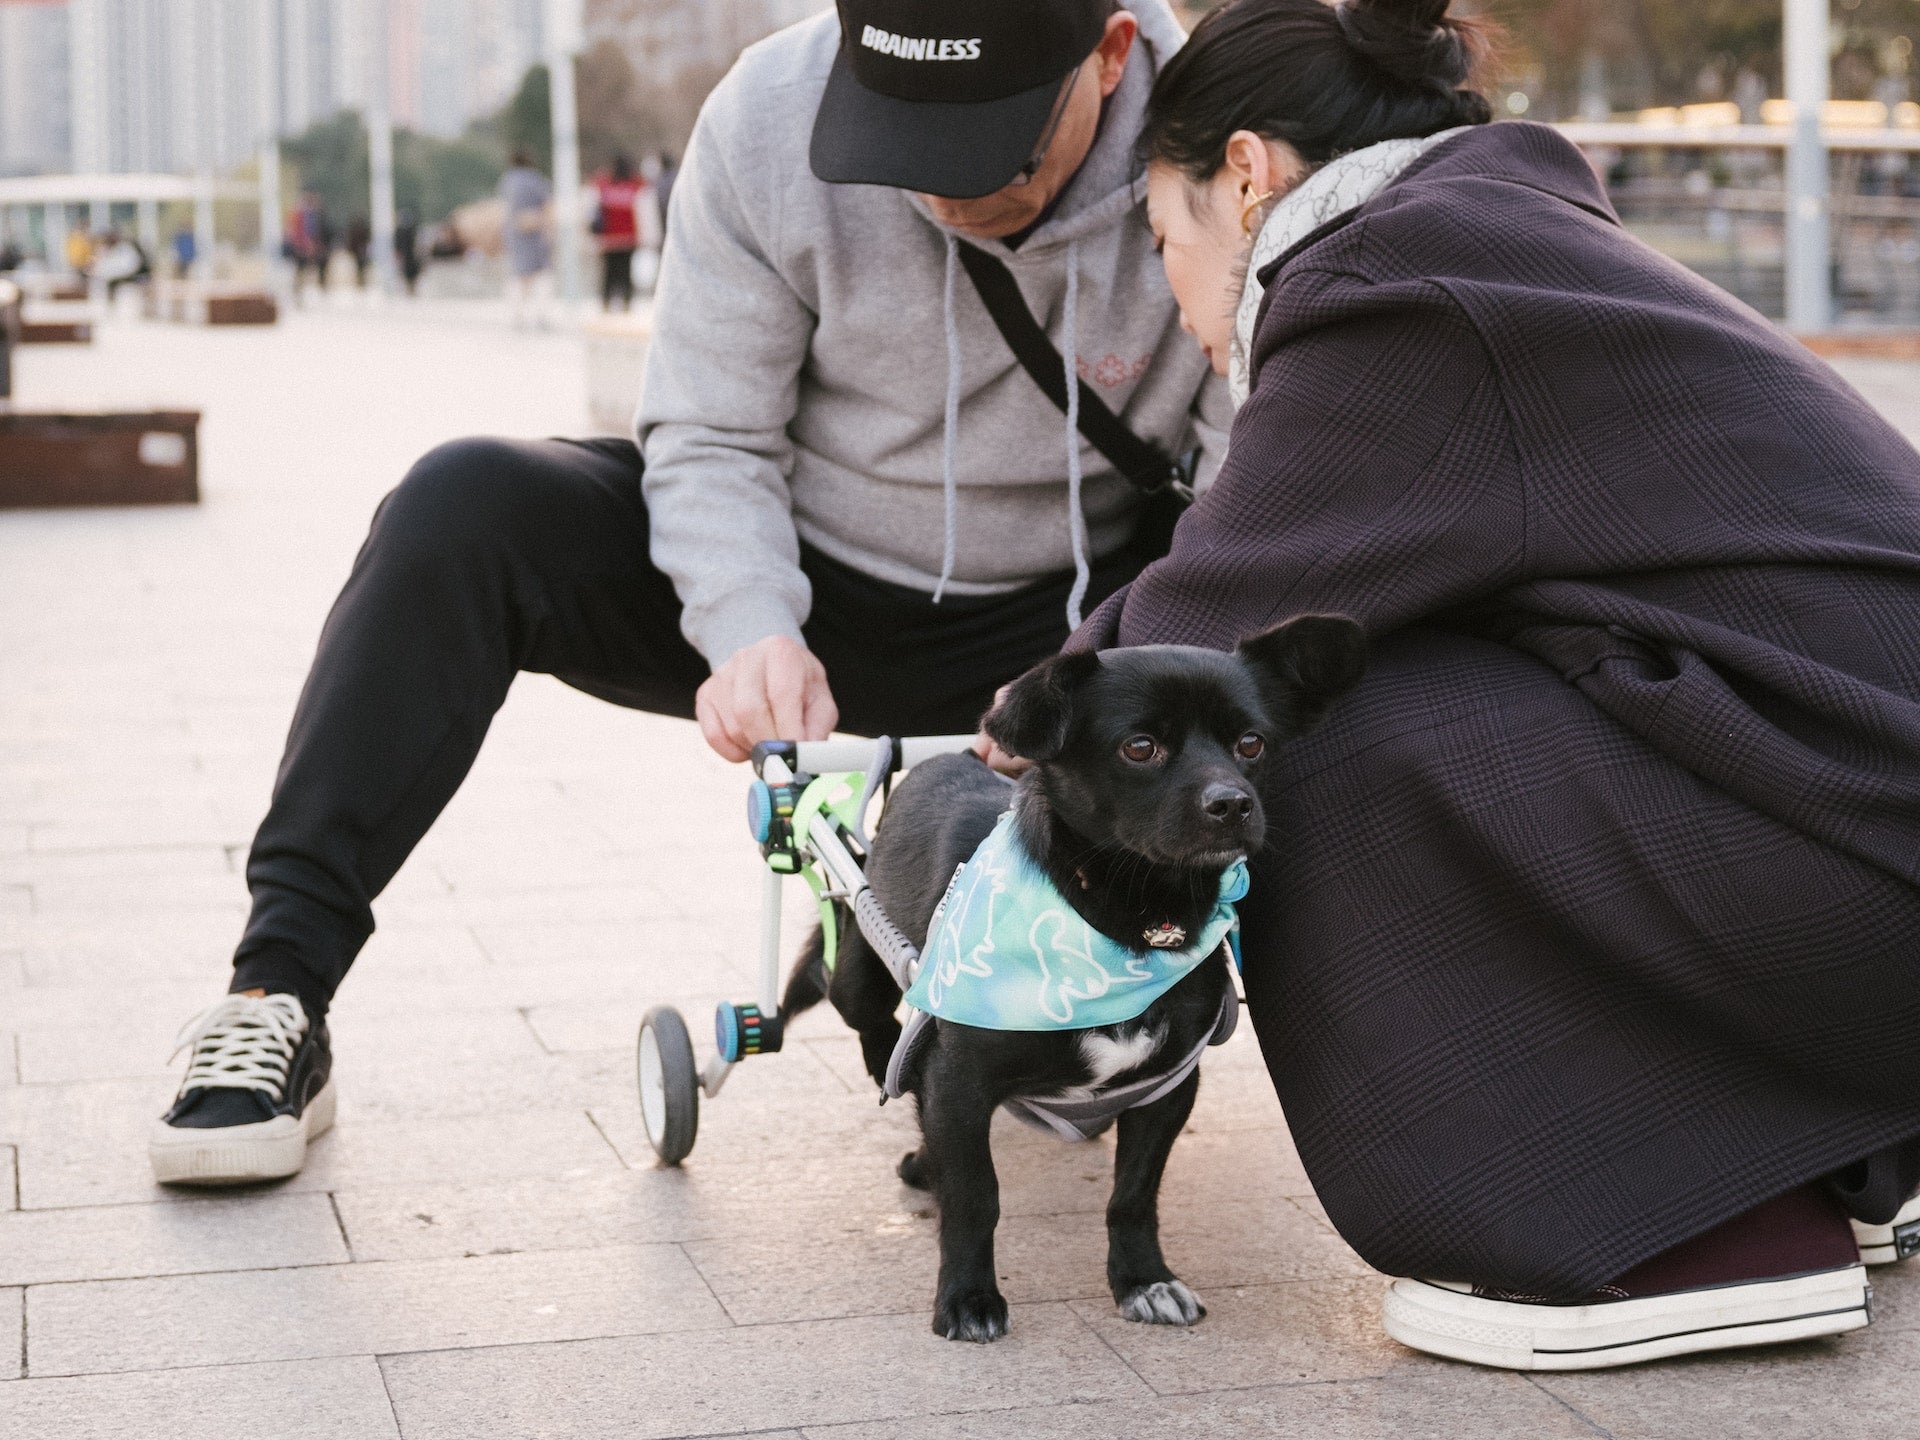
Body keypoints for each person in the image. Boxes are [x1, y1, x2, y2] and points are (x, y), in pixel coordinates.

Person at [147, 0, 1230, 1191]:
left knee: (1320, 638)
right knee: (461, 507)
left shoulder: (1226, 129)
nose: (949, 198)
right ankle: (275, 995)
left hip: (1079, 634)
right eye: (904, 152)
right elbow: (710, 432)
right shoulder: (767, 116)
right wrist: (746, 621)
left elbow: (1256, 480)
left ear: (1113, 51)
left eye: (992, 153)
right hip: (809, 583)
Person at [1081, 0, 1920, 1371]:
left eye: (1163, 234)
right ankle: (1836, 1150)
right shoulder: (1491, 239)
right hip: (1871, 835)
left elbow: (1200, 633)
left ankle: (1654, 1239)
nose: (1174, 294)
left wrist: (1005, 741)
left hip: (1877, 877)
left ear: (1246, 172)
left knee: (1304, 734)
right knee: (1451, 671)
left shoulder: (1393, 286)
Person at [499, 149, 552, 328]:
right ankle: (540, 316)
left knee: (518, 275)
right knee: (542, 275)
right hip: (536, 232)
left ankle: (517, 316)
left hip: (514, 232)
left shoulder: (507, 181)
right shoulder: (535, 179)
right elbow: (547, 204)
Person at [591, 153, 643, 312]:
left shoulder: (605, 184)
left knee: (609, 273)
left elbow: (594, 186)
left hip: (609, 238)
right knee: (626, 272)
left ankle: (606, 303)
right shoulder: (633, 185)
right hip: (628, 237)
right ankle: (626, 302)